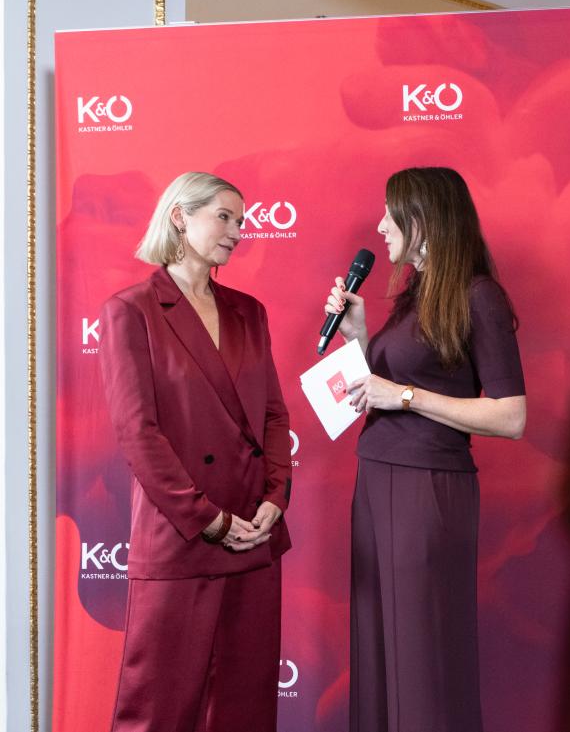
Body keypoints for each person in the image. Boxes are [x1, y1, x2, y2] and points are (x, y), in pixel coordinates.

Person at [323, 166, 526, 732]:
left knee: (421, 647)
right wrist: (360, 338)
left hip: (426, 488)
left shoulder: (479, 295)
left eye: (391, 213)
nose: (380, 226)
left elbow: (511, 416)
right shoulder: (416, 294)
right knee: (381, 642)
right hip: (377, 479)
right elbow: (385, 389)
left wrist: (406, 396)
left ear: (424, 219)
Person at [99, 171, 292, 731]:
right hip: (182, 536)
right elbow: (139, 434)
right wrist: (207, 520)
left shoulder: (249, 312)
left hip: (252, 535)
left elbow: (273, 415)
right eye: (224, 217)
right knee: (157, 711)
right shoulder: (131, 310)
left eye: (241, 220)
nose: (237, 231)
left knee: (244, 711)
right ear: (181, 217)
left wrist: (275, 497)